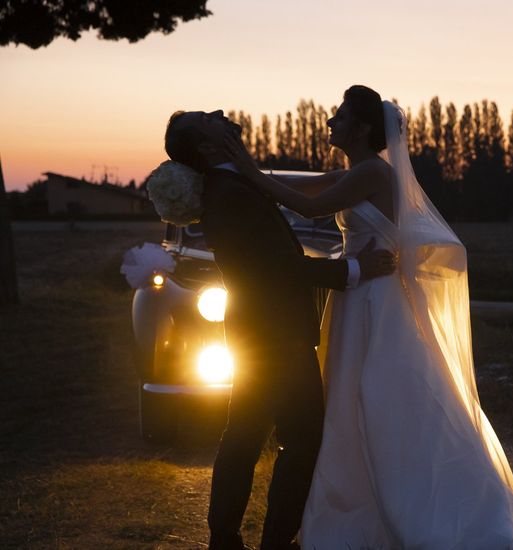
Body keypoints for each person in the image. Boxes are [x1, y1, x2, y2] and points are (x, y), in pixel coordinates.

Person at [225, 85, 513, 549]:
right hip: (358, 295)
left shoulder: (371, 173)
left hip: (375, 302)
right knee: (350, 400)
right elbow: (307, 186)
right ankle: (362, 508)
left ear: (359, 129)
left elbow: (309, 205)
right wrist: (247, 172)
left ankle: (405, 510)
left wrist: (244, 170)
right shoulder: (356, 171)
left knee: (377, 401)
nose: (329, 122)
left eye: (338, 115)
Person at [163, 109, 397, 550]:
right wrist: (353, 268)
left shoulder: (236, 183)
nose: (220, 113)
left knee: (246, 435)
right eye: (208, 118)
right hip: (275, 335)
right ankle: (270, 541)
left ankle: (228, 538)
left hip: (262, 331)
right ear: (209, 148)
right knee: (299, 439)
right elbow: (279, 267)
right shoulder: (229, 192)